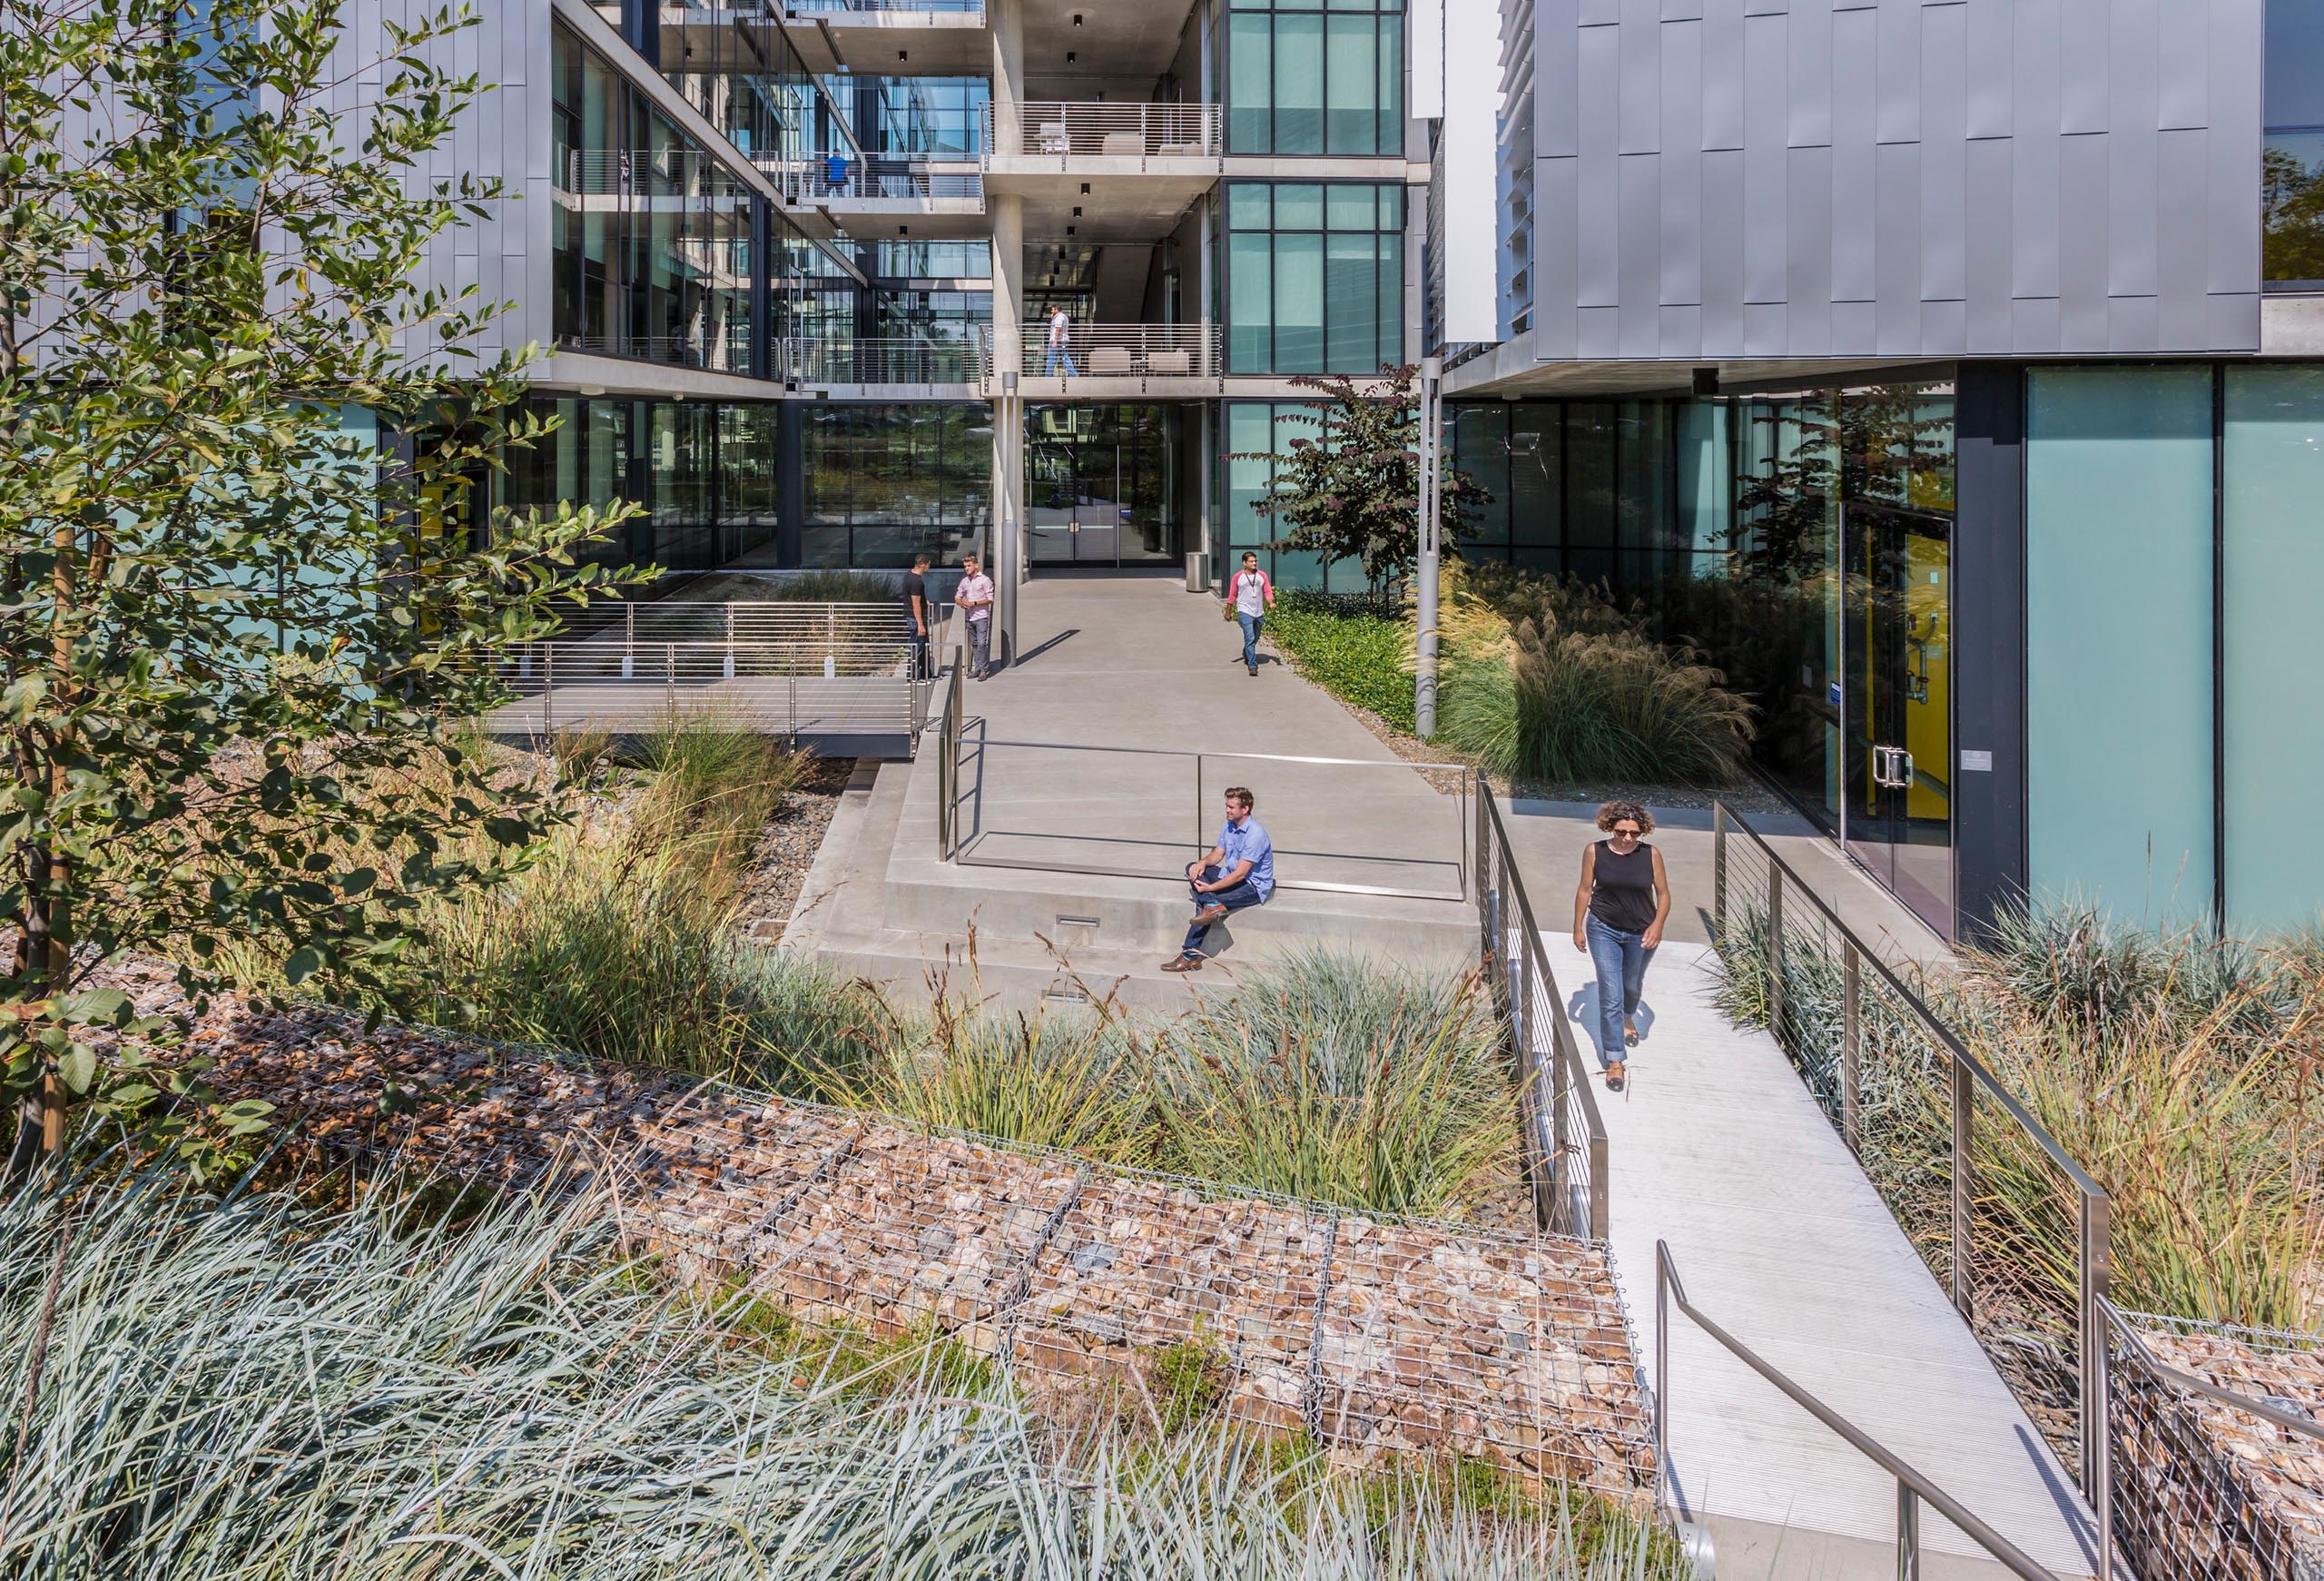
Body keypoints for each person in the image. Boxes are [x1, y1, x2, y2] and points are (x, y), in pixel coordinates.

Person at [1571, 800, 1669, 1092]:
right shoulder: (1594, 851)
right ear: (1609, 828)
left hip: (1642, 933)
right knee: (1610, 994)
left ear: (1642, 832)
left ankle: (1628, 1016)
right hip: (1603, 929)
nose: (1627, 838)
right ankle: (1615, 1060)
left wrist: (1658, 925)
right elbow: (1584, 889)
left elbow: (1663, 894)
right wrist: (1578, 927)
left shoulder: (1651, 855)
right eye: (1621, 832)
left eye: (1634, 833)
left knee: (1632, 986)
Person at [1164, 786, 1272, 973]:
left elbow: (1240, 874)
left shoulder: (1256, 834)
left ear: (1244, 809)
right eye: (1226, 806)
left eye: (1231, 807)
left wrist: (1210, 888)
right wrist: (1202, 863)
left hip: (1252, 886)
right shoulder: (1229, 826)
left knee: (1204, 904)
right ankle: (1212, 905)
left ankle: (1190, 955)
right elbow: (1218, 854)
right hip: (1229, 876)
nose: (1227, 810)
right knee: (1192, 869)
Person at [1224, 550, 1274, 677]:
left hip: (1258, 611)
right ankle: (1252, 665)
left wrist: (1271, 602)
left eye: (1255, 561)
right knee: (1250, 637)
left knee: (1256, 636)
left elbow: (1267, 590)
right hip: (1244, 610)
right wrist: (1228, 612)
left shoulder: (1262, 575)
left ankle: (1247, 651)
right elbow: (1232, 595)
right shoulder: (1238, 577)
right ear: (1244, 563)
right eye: (1251, 561)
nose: (1254, 563)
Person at [955, 551, 995, 680]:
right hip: (969, 617)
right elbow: (957, 596)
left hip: (981, 616)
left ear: (976, 566)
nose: (966, 568)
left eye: (969, 565)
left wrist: (975, 603)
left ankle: (984, 669)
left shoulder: (985, 580)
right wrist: (962, 604)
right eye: (965, 566)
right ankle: (978, 667)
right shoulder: (964, 581)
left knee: (982, 643)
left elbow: (990, 599)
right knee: (975, 644)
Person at [902, 552, 932, 678]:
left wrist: (924, 600)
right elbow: (915, 603)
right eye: (928, 565)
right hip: (915, 618)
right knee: (918, 647)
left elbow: (914, 597)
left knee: (924, 645)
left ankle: (927, 674)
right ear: (922, 564)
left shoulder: (909, 575)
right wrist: (920, 624)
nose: (929, 567)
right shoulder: (916, 581)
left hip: (913, 617)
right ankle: (913, 676)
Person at [1044, 305, 1077, 377]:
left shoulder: (1059, 317)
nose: (1051, 311)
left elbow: (1058, 329)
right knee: (1065, 357)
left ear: (1056, 310)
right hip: (1062, 340)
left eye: (1052, 310)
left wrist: (1055, 341)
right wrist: (1052, 318)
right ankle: (1073, 374)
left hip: (1057, 340)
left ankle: (1047, 376)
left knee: (1051, 358)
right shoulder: (1063, 316)